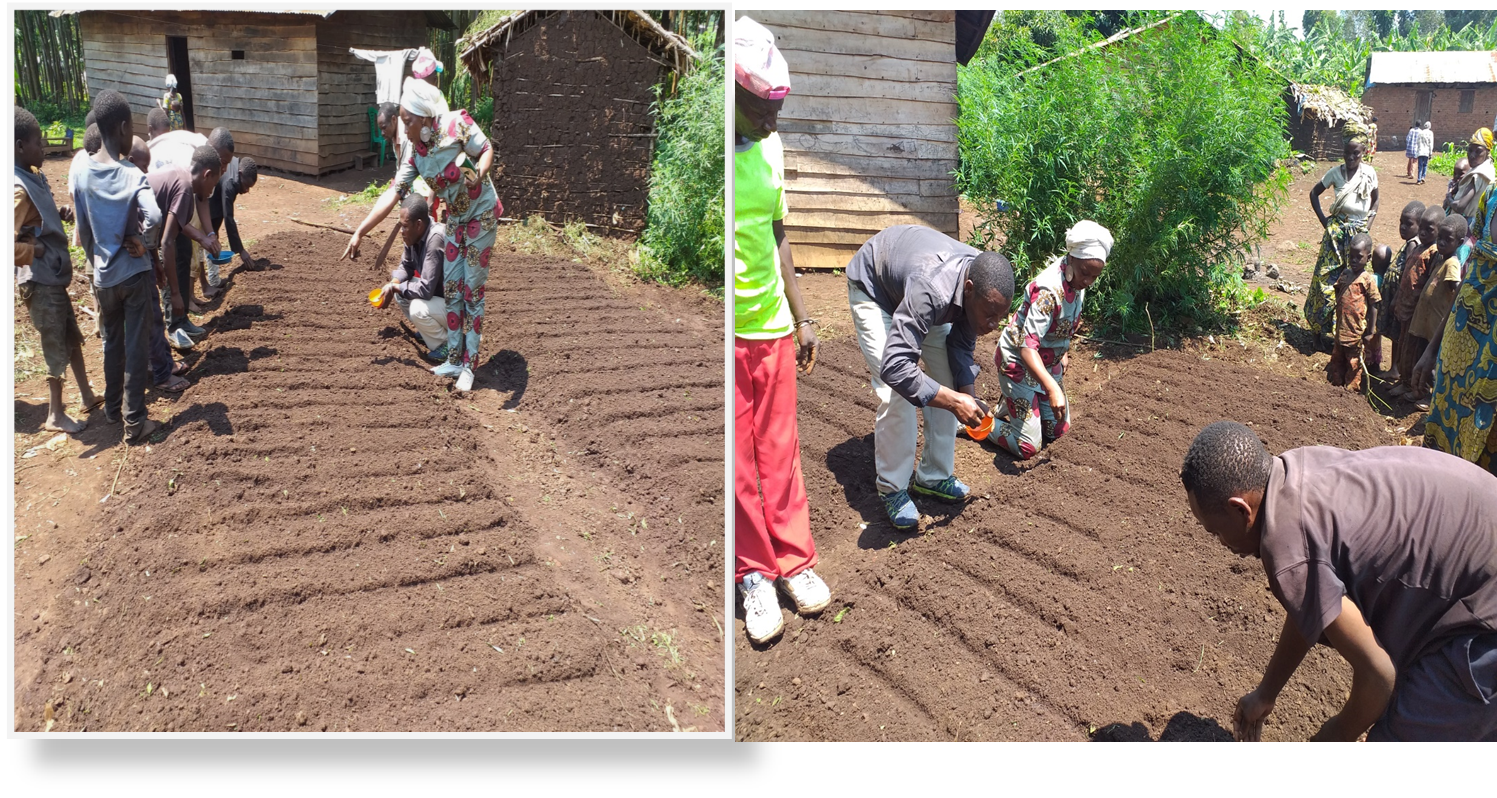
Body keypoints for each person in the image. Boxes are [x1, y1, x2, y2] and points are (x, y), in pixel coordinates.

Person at [1180, 421, 1497, 741]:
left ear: (1240, 510)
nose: (1220, 542)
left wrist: (1333, 736)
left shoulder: (1287, 546)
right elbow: (1311, 602)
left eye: (1215, 531)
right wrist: (1266, 692)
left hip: (1482, 621)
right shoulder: (1296, 470)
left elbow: (1378, 675)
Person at [732, 15, 829, 645]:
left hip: (769, 328)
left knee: (780, 452)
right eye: (764, 108)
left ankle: (795, 560)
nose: (774, 120)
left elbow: (778, 232)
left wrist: (803, 316)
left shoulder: (770, 148)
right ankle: (754, 576)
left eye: (779, 107)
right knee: (739, 467)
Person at [847, 225, 1015, 528]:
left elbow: (960, 345)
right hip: (876, 289)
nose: (993, 325)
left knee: (948, 376)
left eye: (999, 318)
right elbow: (896, 367)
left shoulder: (981, 284)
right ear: (969, 289)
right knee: (896, 391)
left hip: (917, 290)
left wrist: (969, 396)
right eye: (989, 315)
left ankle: (934, 477)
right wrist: (953, 401)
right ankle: (892, 488)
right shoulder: (933, 289)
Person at [342, 77, 501, 393]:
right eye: (402, 122)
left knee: (471, 292)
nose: (404, 129)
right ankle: (454, 358)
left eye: (407, 121)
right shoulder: (416, 155)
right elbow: (392, 195)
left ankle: (470, 365)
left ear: (425, 117)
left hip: (481, 216)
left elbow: (486, 150)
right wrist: (360, 231)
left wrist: (478, 174)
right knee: (453, 290)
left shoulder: (457, 124)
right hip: (456, 220)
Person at [72, 90, 163, 443]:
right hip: (133, 274)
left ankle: (112, 410)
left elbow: (83, 229)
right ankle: (135, 422)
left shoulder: (81, 172)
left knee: (111, 342)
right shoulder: (130, 174)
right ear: (123, 128)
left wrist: (98, 260)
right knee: (136, 346)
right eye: (131, 130)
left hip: (103, 276)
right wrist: (145, 242)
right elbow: (153, 215)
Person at [987, 221, 1111, 459]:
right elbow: (1026, 347)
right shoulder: (1049, 292)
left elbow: (1063, 322)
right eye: (1086, 273)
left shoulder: (1076, 280)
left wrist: (1062, 352)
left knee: (1058, 433)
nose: (1088, 281)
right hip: (1020, 364)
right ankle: (979, 422)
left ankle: (1013, 404)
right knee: (1028, 447)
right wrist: (1053, 387)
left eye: (1095, 276)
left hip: (1045, 364)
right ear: (1072, 258)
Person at [14, 106, 100, 433]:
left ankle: (88, 395)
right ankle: (54, 414)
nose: (43, 148)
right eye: (38, 142)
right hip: (39, 281)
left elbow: (38, 218)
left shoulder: (33, 175)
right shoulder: (17, 188)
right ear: (20, 146)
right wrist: (32, 250)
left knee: (70, 336)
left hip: (52, 276)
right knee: (55, 344)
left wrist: (59, 214)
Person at [1419, 182, 1497, 471]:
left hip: (1492, 360)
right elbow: (1469, 279)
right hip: (1458, 352)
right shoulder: (1490, 197)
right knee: (1443, 453)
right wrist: (1432, 348)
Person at [146, 146, 221, 392]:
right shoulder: (186, 189)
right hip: (134, 244)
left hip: (143, 242)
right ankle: (160, 371)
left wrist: (203, 238)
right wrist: (177, 293)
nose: (210, 191)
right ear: (207, 174)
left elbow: (177, 222)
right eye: (213, 185)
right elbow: (167, 242)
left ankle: (162, 363)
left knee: (151, 313)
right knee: (151, 313)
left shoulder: (182, 175)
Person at [1306, 138, 1379, 348]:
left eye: (1355, 153)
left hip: (1358, 239)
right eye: (1347, 153)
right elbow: (1314, 193)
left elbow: (1375, 200)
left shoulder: (1369, 174)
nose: (1350, 158)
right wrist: (1325, 221)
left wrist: (1367, 226)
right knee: (1324, 280)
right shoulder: (1335, 173)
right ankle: (1317, 333)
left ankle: (1345, 338)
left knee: (1352, 284)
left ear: (1363, 153)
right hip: (1336, 235)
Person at [374, 194, 448, 361]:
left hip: (456, 306)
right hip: (439, 296)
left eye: (405, 226)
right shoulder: (413, 236)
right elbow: (406, 266)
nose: (402, 231)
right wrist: (393, 284)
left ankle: (447, 345)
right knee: (401, 292)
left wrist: (396, 287)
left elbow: (426, 289)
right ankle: (430, 332)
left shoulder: (435, 239)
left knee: (417, 309)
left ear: (419, 225)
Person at [1390, 206, 1445, 398]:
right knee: (1404, 346)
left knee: (1413, 351)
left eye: (1428, 229)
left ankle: (1413, 387)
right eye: (1421, 227)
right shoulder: (1419, 247)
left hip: (1416, 312)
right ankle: (1404, 380)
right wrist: (1397, 299)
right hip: (1405, 308)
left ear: (1439, 230)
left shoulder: (1434, 253)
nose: (1422, 232)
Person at [1377, 201, 1424, 382]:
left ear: (1420, 226)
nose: (1402, 227)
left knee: (1398, 334)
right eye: (1401, 222)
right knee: (1396, 334)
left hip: (1400, 297)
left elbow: (1407, 273)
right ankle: (1394, 368)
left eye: (1408, 224)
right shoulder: (1410, 243)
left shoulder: (1413, 244)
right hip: (1398, 295)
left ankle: (1395, 369)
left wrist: (1396, 298)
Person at [1326, 234, 1379, 392]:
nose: (1354, 260)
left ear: (1368, 258)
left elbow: (1375, 304)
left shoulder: (1367, 280)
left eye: (1359, 257)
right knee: (1337, 358)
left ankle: (1351, 389)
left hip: (1356, 331)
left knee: (1354, 362)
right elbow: (1338, 293)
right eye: (1351, 256)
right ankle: (1335, 385)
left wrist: (1371, 331)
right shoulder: (1345, 275)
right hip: (1341, 328)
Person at [209, 154, 257, 273]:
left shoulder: (235, 166)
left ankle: (214, 278)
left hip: (216, 199)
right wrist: (241, 251)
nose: (246, 190)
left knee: (213, 238)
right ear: (240, 173)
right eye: (246, 186)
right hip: (209, 202)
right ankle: (212, 280)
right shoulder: (230, 183)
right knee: (209, 239)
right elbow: (228, 218)